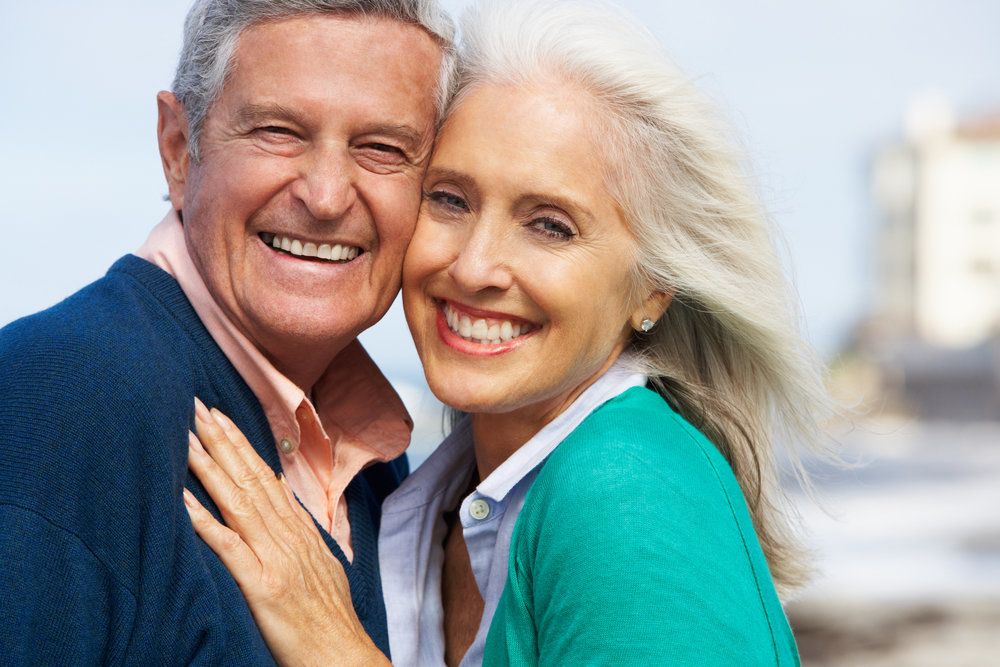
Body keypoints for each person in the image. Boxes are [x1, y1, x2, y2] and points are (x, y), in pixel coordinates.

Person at [184, 0, 833, 664]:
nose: (473, 266)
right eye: (450, 199)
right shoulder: (430, 500)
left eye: (549, 224)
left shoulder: (630, 488)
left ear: (651, 287)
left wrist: (335, 647)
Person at [0, 1, 455, 663]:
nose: (326, 197)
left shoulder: (375, 468)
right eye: (278, 131)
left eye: (383, 148)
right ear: (179, 149)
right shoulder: (61, 397)